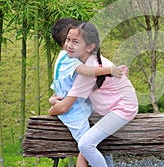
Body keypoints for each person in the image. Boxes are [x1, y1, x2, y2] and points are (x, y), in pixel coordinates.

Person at [48, 22, 138, 167]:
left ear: (90, 47)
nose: (69, 46)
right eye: (68, 40)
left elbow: (64, 107)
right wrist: (53, 99)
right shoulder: (83, 63)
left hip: (123, 108)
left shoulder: (87, 70)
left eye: (75, 42)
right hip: (108, 108)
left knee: (85, 144)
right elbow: (67, 92)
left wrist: (51, 109)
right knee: (101, 149)